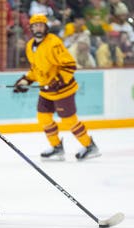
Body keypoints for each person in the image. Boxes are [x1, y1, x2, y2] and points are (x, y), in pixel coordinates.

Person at [13, 14, 101, 161]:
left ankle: (90, 145)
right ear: (31, 28)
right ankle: (56, 147)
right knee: (43, 118)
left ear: (46, 27)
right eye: (35, 26)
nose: (38, 28)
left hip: (63, 90)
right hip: (46, 90)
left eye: (41, 25)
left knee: (69, 120)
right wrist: (25, 81)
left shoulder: (54, 43)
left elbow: (69, 65)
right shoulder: (30, 46)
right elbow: (36, 69)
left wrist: (58, 81)